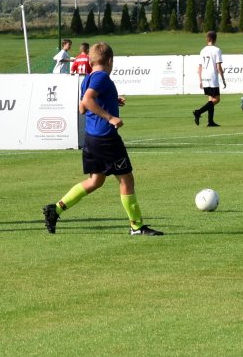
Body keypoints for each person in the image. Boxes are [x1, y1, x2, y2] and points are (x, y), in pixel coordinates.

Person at [43, 42, 164, 236]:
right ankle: (137, 226)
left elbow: (82, 108)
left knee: (96, 181)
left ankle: (55, 209)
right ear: (110, 60)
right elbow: (87, 101)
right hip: (106, 138)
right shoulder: (102, 78)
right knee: (126, 180)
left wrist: (111, 101)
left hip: (91, 138)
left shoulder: (89, 77)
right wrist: (110, 117)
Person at [193, 31, 225, 127]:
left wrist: (200, 80)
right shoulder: (217, 50)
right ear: (215, 39)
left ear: (207, 39)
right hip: (212, 77)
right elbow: (218, 67)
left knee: (211, 99)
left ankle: (210, 121)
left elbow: (199, 67)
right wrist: (223, 79)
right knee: (217, 99)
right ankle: (198, 112)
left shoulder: (202, 50)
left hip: (204, 76)